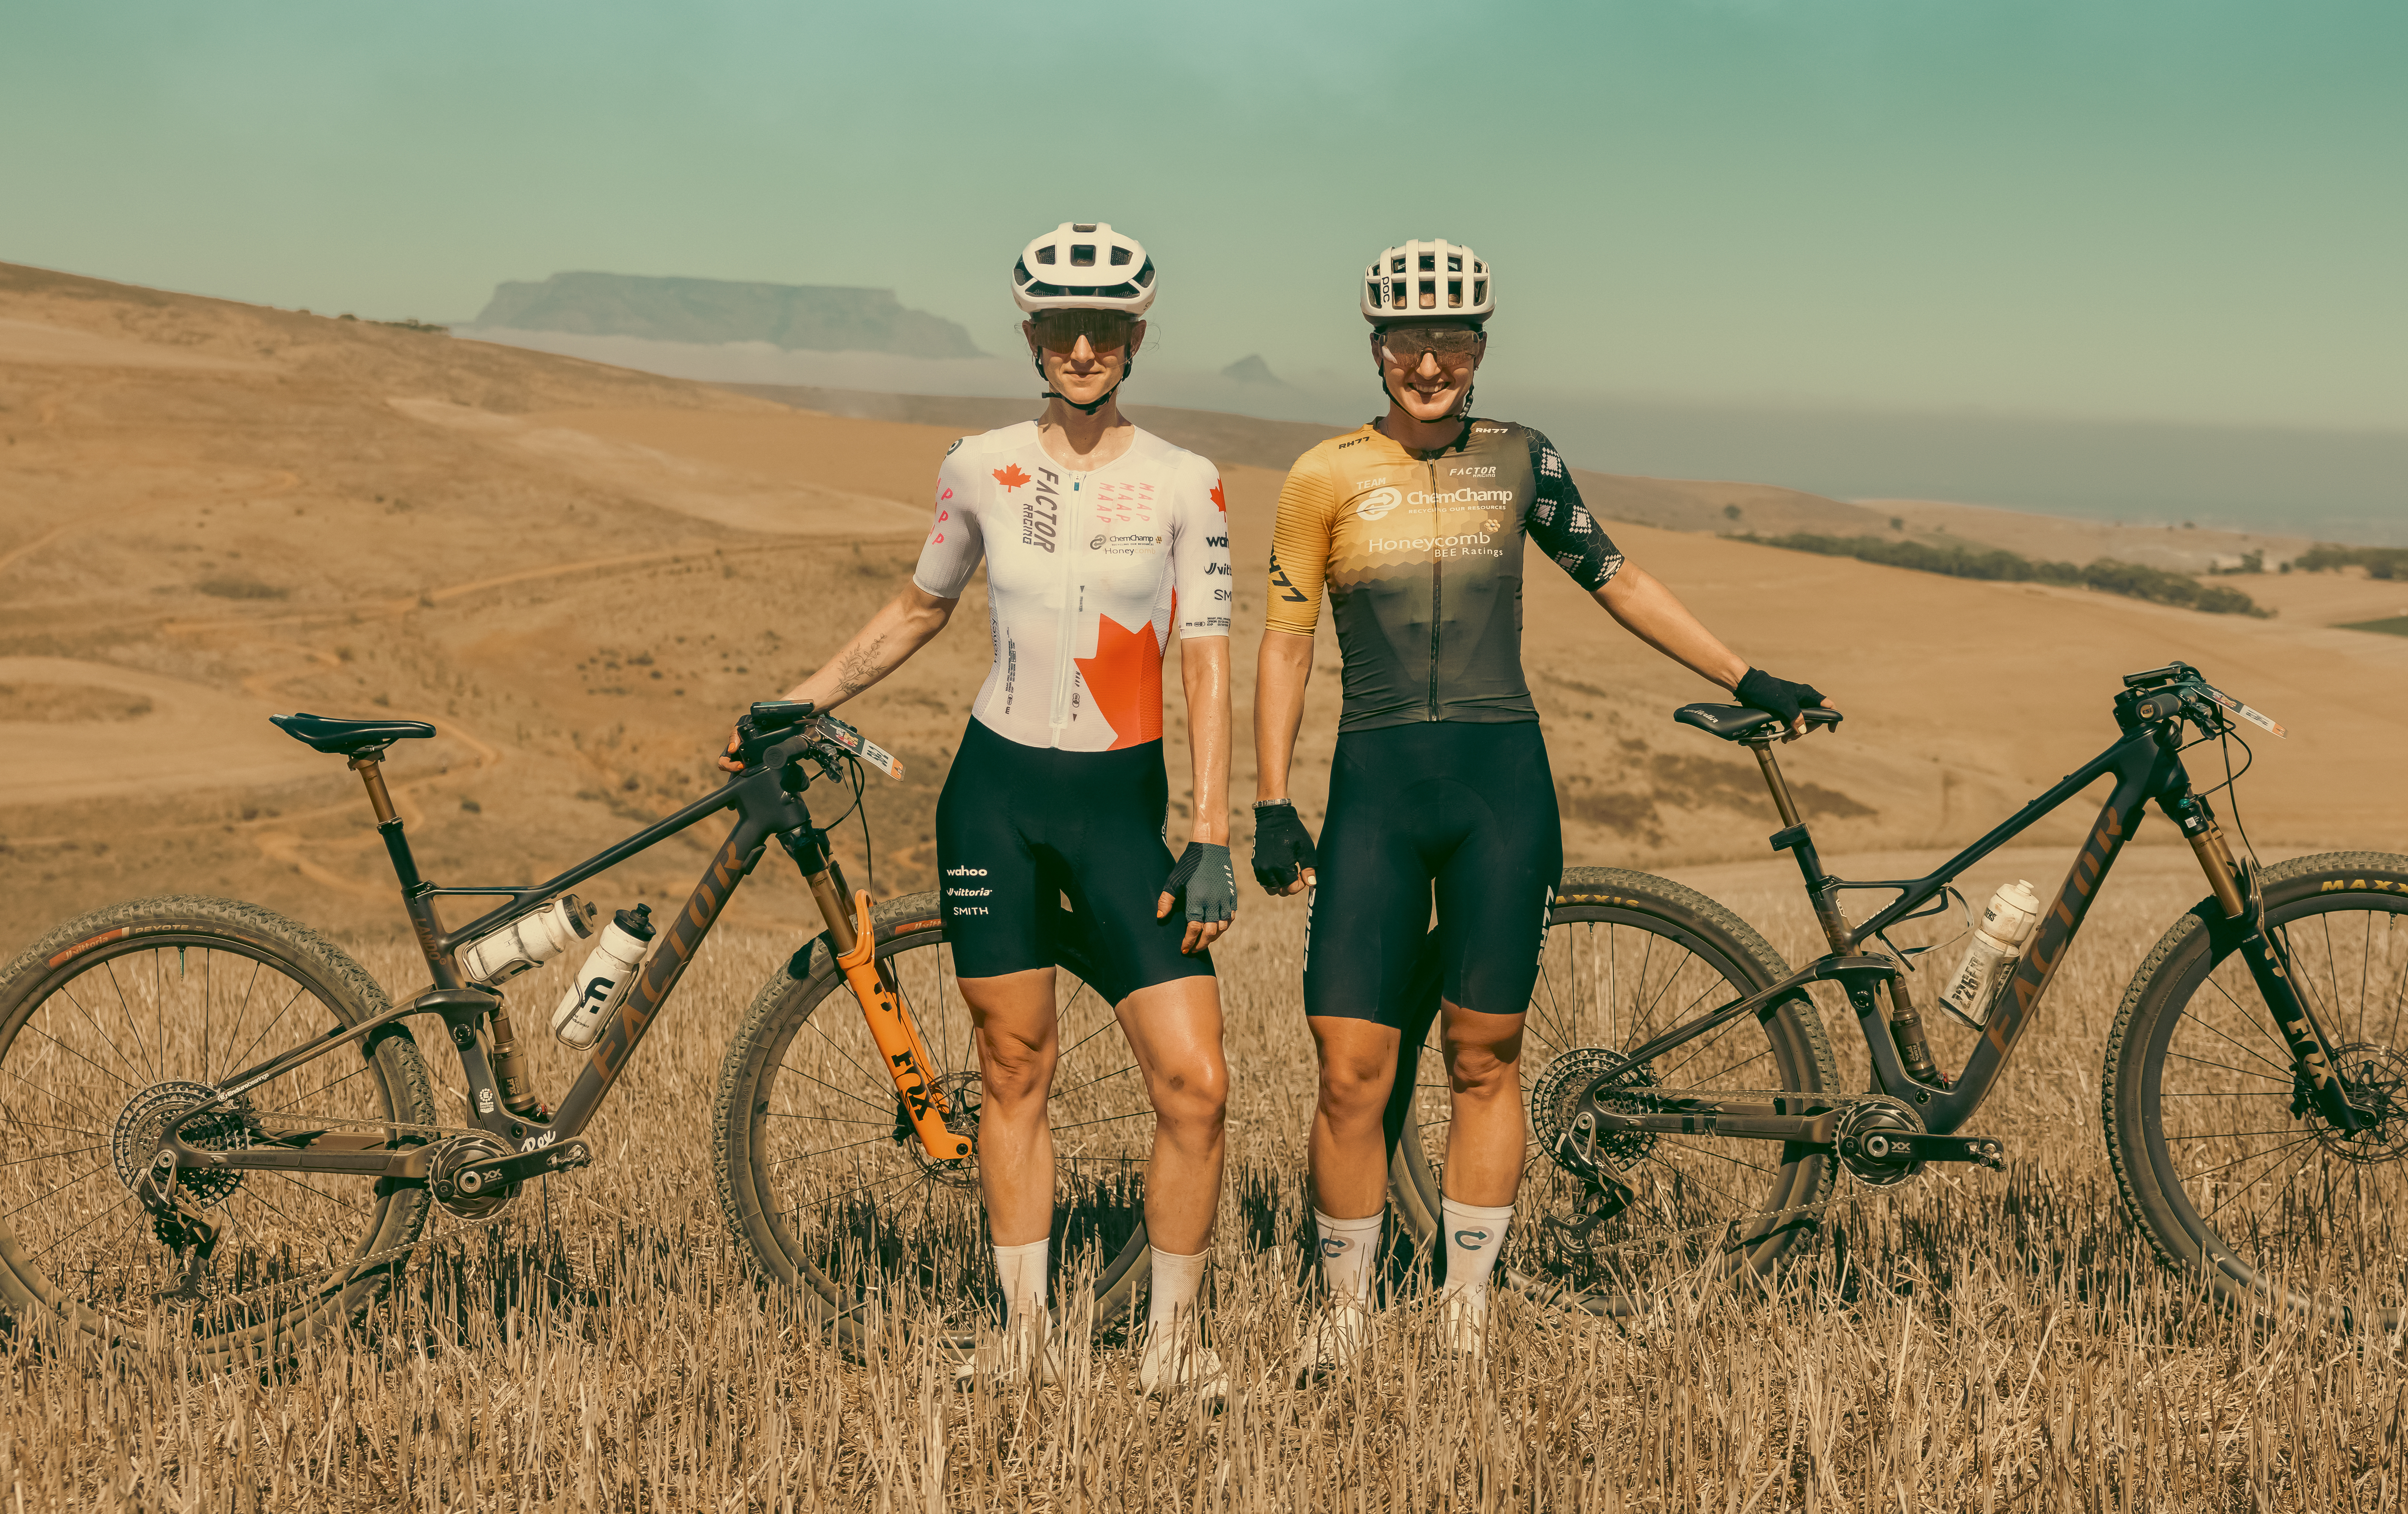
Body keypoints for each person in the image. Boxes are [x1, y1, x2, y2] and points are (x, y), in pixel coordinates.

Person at [1250, 239, 1828, 1366]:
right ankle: (1342, 1317)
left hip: (1499, 785)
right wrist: (1270, 802)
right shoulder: (1322, 475)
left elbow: (1616, 578)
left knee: (1486, 1055)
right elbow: (1283, 643)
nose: (1431, 362)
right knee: (1348, 1067)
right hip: (1374, 784)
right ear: (1376, 350)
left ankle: (1465, 1311)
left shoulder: (1521, 459)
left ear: (1481, 347)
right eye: (1409, 341)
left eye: (1453, 339)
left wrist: (1742, 675)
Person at [732, 222, 1239, 1399]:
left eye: (1104, 327)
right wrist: (801, 697)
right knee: (1013, 1068)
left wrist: (1211, 830)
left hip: (1121, 805)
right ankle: (1025, 1337)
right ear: (1029, 336)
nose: (1081, 346)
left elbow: (1207, 656)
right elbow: (922, 607)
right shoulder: (977, 467)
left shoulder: (1182, 482)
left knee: (1195, 1083)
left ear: (1134, 338)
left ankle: (1171, 1349)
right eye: (1060, 327)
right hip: (996, 796)